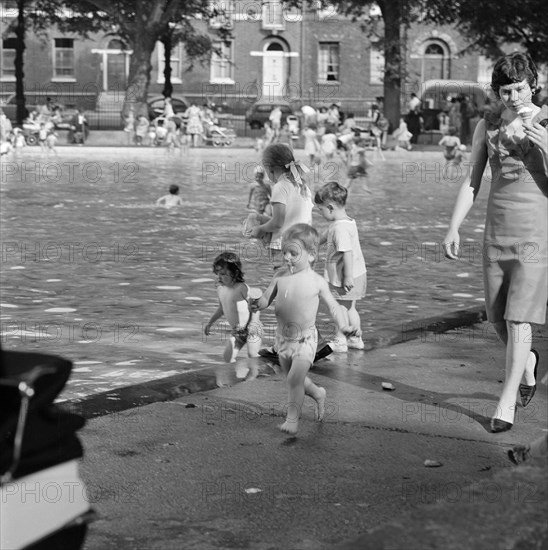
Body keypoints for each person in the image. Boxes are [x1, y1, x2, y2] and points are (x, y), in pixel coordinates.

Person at [443, 52, 547, 433]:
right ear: (496, 91)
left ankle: (506, 403)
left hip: (537, 232)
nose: (514, 97)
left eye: (520, 88)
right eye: (506, 90)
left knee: (520, 317)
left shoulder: (547, 120)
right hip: (497, 229)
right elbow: (472, 181)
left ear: (532, 83)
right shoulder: (486, 125)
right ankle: (529, 364)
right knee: (499, 318)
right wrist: (453, 227)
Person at [250, 223, 359, 434]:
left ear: (311, 255)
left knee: (293, 379)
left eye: (293, 253)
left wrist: (344, 326)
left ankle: (292, 420)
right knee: (293, 377)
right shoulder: (280, 276)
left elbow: (334, 307)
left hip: (306, 341)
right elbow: (266, 298)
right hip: (282, 340)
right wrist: (257, 303)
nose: (287, 257)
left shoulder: (317, 282)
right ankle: (318, 393)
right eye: (284, 252)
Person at [249, 143, 333, 363]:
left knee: (285, 299)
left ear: (270, 167)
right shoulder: (301, 185)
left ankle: (297, 347)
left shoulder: (280, 187)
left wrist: (259, 228)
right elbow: (290, 219)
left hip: (286, 249)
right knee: (300, 298)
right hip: (305, 246)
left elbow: (277, 223)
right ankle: (309, 343)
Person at [315, 182, 367, 351]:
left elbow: (347, 252)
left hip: (344, 276)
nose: (321, 214)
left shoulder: (339, 229)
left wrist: (347, 276)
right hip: (359, 274)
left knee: (339, 308)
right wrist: (314, 242)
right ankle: (356, 339)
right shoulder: (347, 222)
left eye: (321, 210)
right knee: (351, 308)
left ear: (330, 208)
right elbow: (326, 234)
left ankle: (340, 340)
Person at [204, 252, 262, 364]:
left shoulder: (241, 288)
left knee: (252, 355)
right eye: (218, 274)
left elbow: (249, 307)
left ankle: (262, 371)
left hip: (252, 328)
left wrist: (249, 324)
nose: (220, 277)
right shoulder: (221, 289)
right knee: (228, 358)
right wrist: (210, 323)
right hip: (238, 331)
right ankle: (235, 378)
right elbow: (221, 309)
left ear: (235, 273)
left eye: (224, 274)